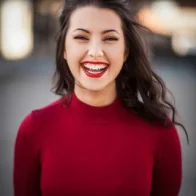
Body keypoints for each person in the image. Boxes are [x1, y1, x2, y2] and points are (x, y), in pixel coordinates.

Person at [13, 0, 189, 195]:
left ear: (126, 51)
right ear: (64, 48)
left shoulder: (160, 133)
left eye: (110, 38)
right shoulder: (34, 129)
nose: (95, 52)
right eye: (81, 37)